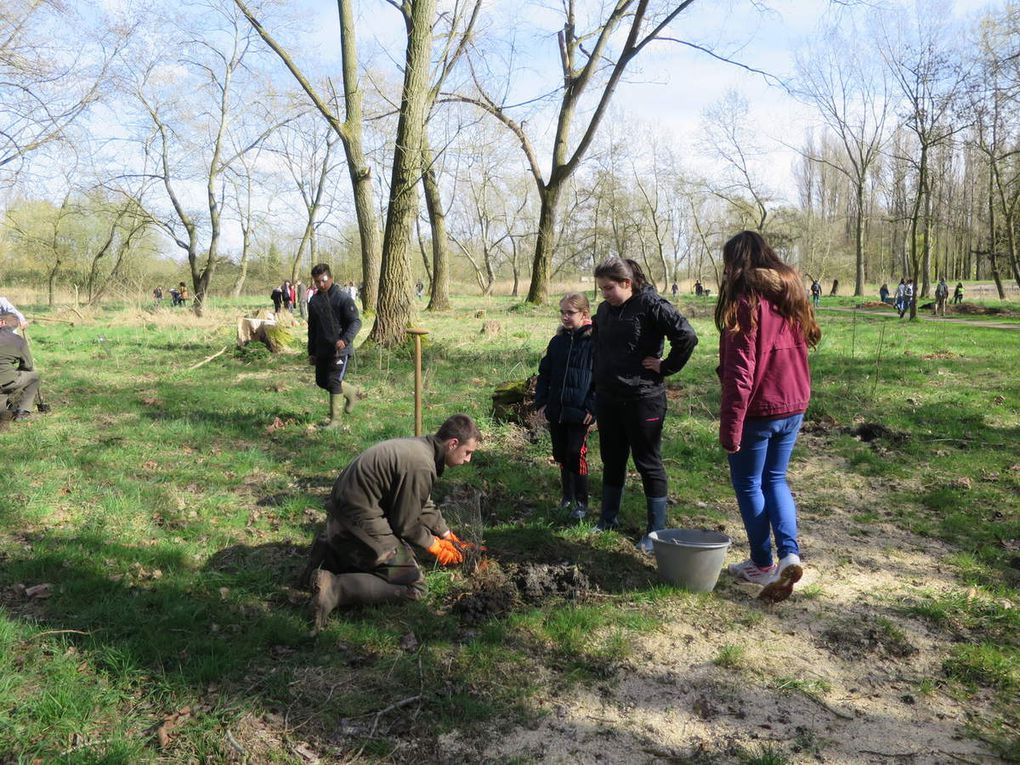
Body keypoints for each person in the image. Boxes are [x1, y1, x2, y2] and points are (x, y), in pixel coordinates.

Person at [715, 231, 820, 604]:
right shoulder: (790, 294)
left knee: (748, 484)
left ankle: (761, 563)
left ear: (737, 263)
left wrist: (730, 428)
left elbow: (741, 373)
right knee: (775, 479)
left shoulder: (747, 301)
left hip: (760, 408)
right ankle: (789, 555)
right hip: (794, 403)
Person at [304, 414, 482, 633]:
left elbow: (421, 502)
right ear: (453, 443)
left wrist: (447, 536)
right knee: (413, 585)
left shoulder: (420, 448)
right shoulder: (422, 465)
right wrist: (434, 546)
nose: (468, 460)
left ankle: (330, 552)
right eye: (467, 452)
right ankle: (335, 589)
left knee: (394, 557)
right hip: (357, 520)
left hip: (345, 515)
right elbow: (405, 525)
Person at [592, 257, 699, 553]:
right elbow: (597, 351)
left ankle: (655, 531)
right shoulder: (603, 311)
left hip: (643, 400)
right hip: (608, 398)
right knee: (612, 459)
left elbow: (686, 336)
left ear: (627, 283)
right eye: (601, 289)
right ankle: (607, 519)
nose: (605, 295)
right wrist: (594, 390)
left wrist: (666, 367)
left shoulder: (652, 305)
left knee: (647, 463)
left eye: (609, 288)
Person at [534, 292, 595, 522]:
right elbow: (545, 373)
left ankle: (581, 502)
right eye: (562, 312)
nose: (565, 317)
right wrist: (541, 402)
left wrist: (592, 406)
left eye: (570, 313)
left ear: (584, 314)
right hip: (557, 409)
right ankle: (567, 497)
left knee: (575, 453)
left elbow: (601, 377)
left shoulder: (593, 343)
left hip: (580, 411)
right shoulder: (557, 342)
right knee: (560, 453)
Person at [308, 263, 362, 428]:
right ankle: (352, 392)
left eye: (323, 280)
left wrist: (344, 340)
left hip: (340, 350)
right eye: (317, 282)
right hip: (322, 350)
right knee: (321, 381)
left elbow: (356, 322)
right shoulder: (314, 301)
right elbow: (312, 328)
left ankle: (335, 421)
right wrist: (312, 351)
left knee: (333, 381)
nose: (321, 284)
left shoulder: (343, 298)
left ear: (331, 278)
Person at [0, 311, 41, 421]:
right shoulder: (18, 341)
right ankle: (22, 412)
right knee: (34, 376)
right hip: (6, 381)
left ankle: (6, 406)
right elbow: (28, 366)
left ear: (2, 322)